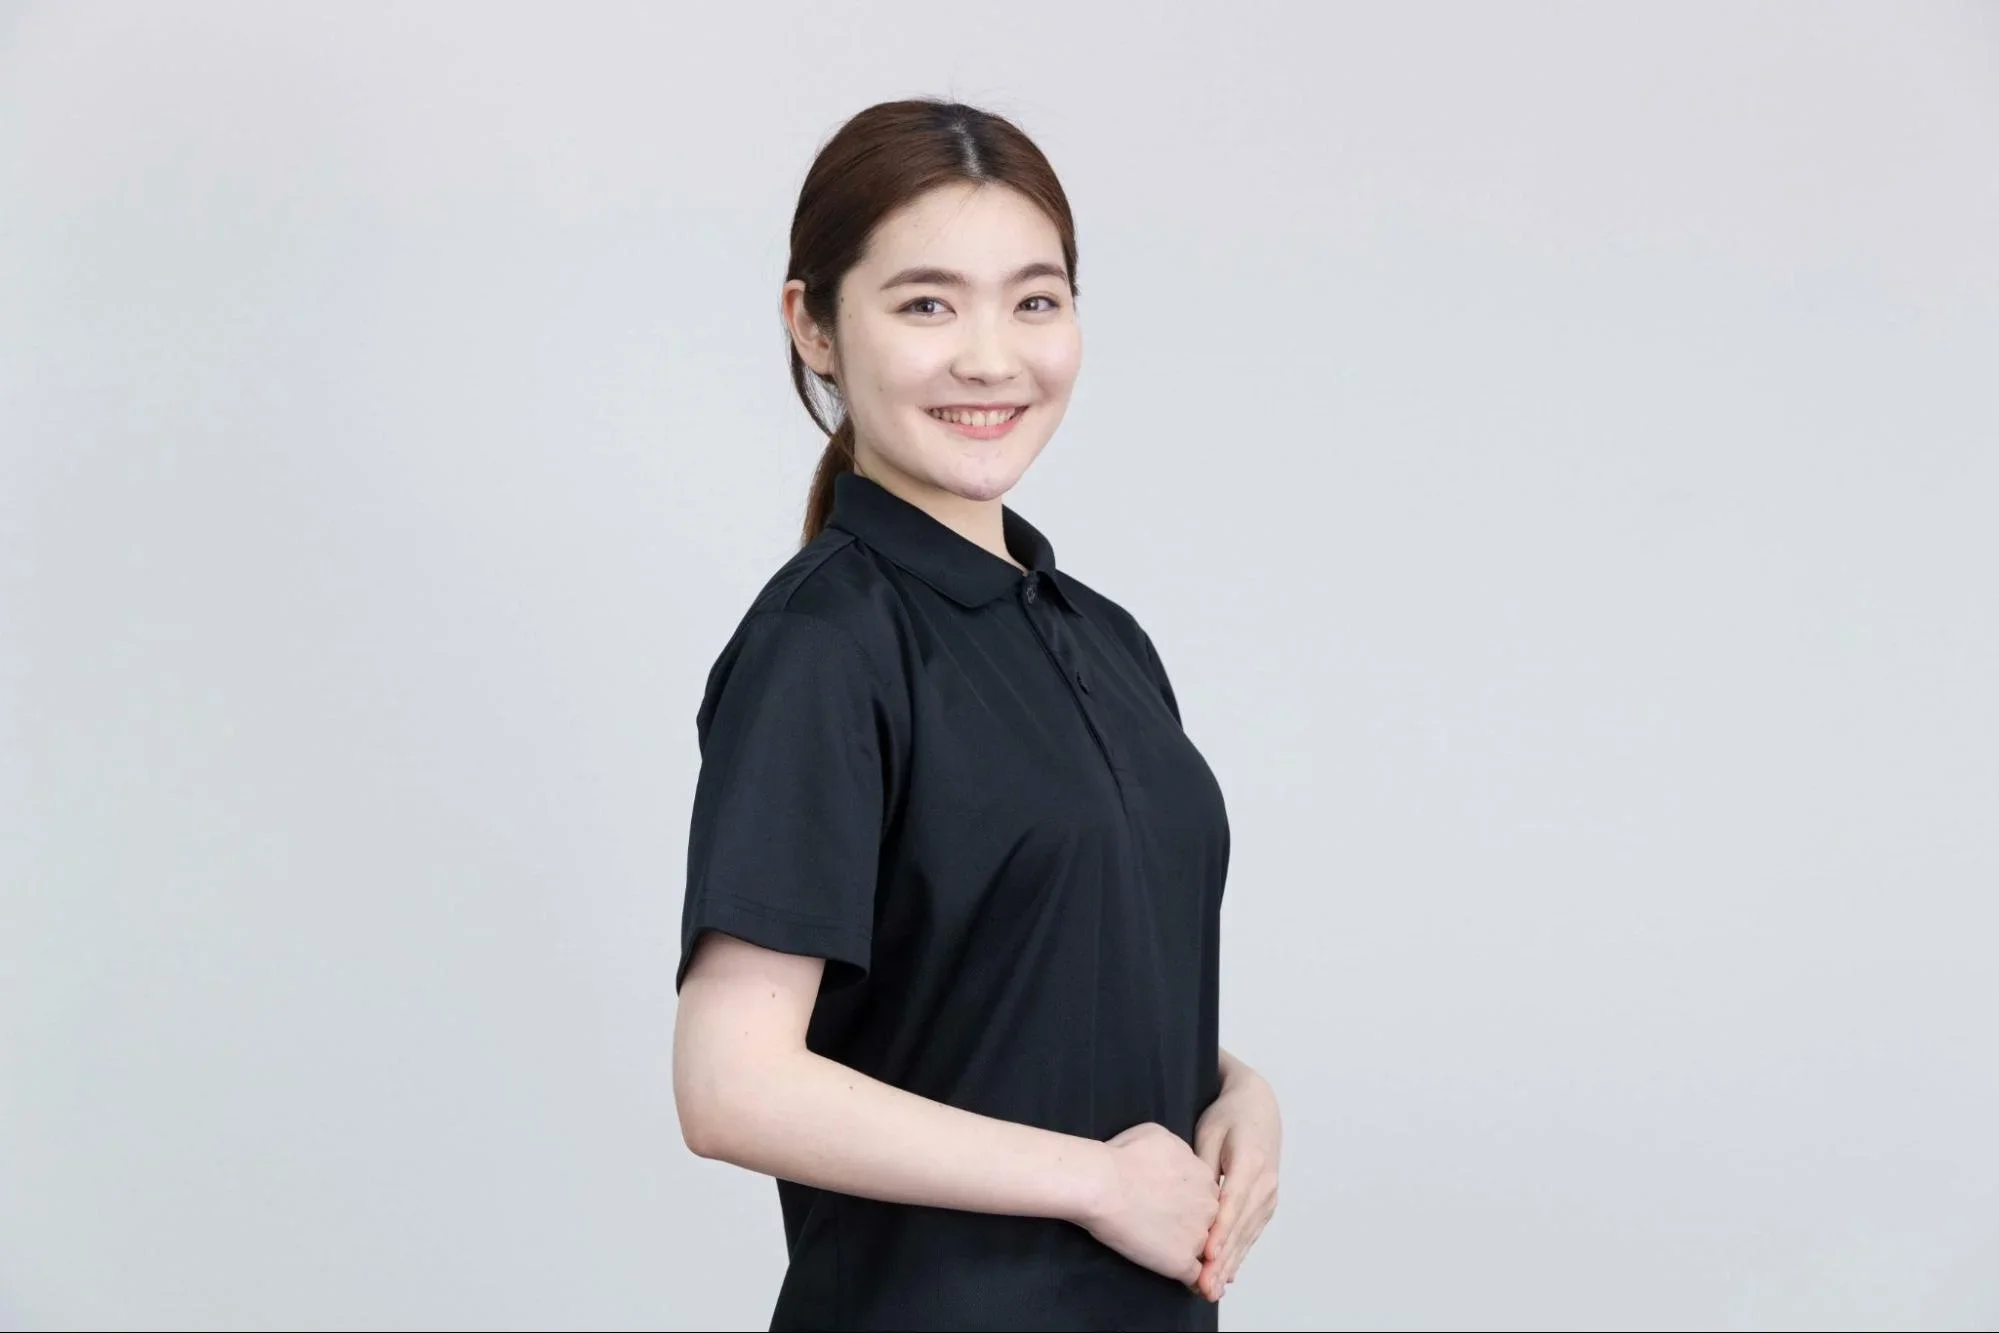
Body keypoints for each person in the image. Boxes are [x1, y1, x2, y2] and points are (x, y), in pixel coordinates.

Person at [672, 98, 1282, 1332]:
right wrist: (1095, 1180)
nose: (992, 358)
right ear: (814, 326)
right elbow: (730, 1083)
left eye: (1034, 301)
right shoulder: (824, 644)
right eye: (926, 305)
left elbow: (1022, 987)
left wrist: (1234, 1088)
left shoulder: (1104, 638)